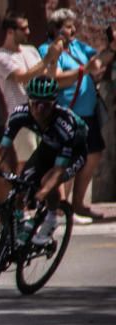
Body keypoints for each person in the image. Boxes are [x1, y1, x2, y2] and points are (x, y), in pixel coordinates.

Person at [0, 76, 87, 246]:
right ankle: (20, 227)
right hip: (48, 148)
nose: (39, 109)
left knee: (46, 181)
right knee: (22, 184)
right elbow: (2, 148)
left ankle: (50, 219)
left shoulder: (64, 125)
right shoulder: (21, 113)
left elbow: (58, 171)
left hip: (74, 153)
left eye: (46, 105)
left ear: (54, 103)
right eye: (35, 103)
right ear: (29, 101)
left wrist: (43, 192)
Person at [40, 8, 116, 222]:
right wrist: (83, 71)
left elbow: (97, 63)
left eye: (74, 25)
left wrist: (111, 49)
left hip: (88, 113)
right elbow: (54, 79)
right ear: (56, 29)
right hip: (67, 113)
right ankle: (62, 208)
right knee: (67, 159)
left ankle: (78, 204)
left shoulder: (78, 47)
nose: (74, 30)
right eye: (68, 26)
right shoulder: (48, 49)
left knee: (93, 154)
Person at [0, 11, 59, 178]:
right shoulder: (0, 57)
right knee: (27, 161)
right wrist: (47, 59)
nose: (28, 31)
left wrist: (54, 59)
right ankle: (25, 201)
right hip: (22, 115)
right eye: (24, 28)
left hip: (43, 114)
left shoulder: (31, 51)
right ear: (10, 32)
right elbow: (23, 77)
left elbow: (46, 78)